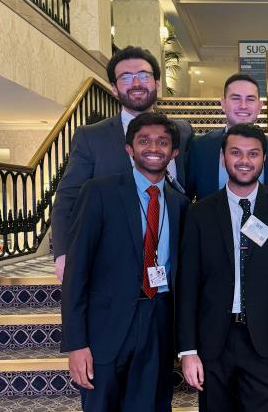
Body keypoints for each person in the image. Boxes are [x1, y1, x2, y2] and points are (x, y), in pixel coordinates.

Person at [60, 113, 190, 411]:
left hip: (158, 326)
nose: (153, 148)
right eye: (144, 141)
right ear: (129, 148)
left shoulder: (180, 204)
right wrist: (76, 344)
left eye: (162, 142)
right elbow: (76, 272)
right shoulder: (99, 192)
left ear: (174, 153)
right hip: (106, 330)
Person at [177, 123, 268, 411]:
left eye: (253, 154)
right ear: (223, 158)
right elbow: (188, 284)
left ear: (264, 159)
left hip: (267, 341)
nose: (244, 161)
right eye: (236, 152)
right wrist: (188, 350)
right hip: (213, 344)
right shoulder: (200, 212)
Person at [51, 45, 193, 282]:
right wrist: (63, 254)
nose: (136, 83)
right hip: (111, 266)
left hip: (170, 266)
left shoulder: (183, 132)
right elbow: (68, 198)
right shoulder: (91, 136)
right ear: (114, 88)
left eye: (144, 75)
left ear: (157, 84)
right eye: (126, 77)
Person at [185, 73, 268, 200]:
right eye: (236, 98)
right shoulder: (200, 146)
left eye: (250, 99)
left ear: (259, 107)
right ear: (223, 104)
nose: (243, 106)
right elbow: (187, 195)